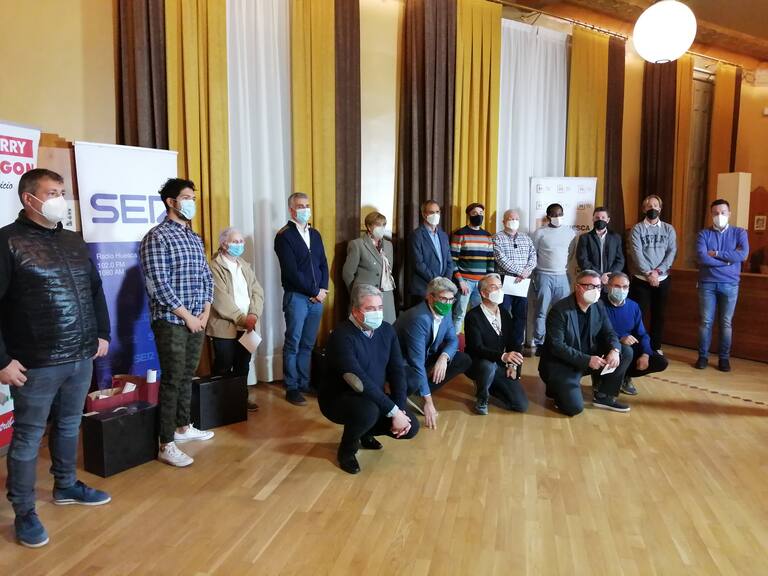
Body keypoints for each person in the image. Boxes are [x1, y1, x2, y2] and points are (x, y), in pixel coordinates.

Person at [1, 169, 111, 548]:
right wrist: (1, 360)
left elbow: (94, 289)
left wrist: (101, 332)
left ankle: (65, 485)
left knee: (68, 425)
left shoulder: (72, 239)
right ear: (29, 198)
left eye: (62, 192)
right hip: (36, 361)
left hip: (80, 354)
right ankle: (24, 511)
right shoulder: (7, 241)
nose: (59, 199)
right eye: (52, 193)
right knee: (28, 436)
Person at [140, 178, 215, 468]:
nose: (191, 202)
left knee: (187, 375)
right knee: (172, 379)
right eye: (186, 197)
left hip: (198, 318)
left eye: (193, 197)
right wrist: (187, 316)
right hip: (171, 320)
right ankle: (166, 442)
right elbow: (158, 284)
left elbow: (206, 276)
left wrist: (205, 311)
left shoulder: (194, 237)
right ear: (171, 202)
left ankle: (183, 427)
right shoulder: (157, 237)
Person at [319, 284, 419, 474]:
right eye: (370, 308)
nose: (377, 313)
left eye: (379, 307)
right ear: (355, 311)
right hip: (339, 398)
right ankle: (347, 451)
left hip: (371, 393)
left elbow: (397, 370)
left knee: (411, 427)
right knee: (368, 411)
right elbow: (359, 380)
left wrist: (399, 410)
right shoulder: (341, 336)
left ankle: (365, 432)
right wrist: (392, 411)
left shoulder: (387, 330)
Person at [538, 270, 632, 416]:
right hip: (562, 364)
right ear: (577, 287)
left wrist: (615, 350)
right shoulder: (559, 310)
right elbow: (557, 347)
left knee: (625, 351)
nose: (595, 290)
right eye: (590, 286)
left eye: (598, 287)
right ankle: (556, 389)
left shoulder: (598, 305)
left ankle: (604, 396)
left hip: (587, 358)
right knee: (574, 408)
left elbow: (609, 333)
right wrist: (587, 360)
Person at [394, 277, 472, 430]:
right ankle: (415, 394)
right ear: (430, 297)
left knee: (463, 359)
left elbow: (453, 340)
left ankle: (420, 393)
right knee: (413, 378)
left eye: (451, 300)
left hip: (424, 355)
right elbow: (416, 362)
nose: (448, 304)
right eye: (443, 299)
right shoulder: (418, 318)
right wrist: (429, 403)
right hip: (403, 363)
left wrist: (444, 357)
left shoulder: (445, 311)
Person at [274, 192, 329, 405]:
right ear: (291, 210)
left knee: (308, 343)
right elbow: (291, 272)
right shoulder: (284, 236)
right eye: (300, 206)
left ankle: (305, 382)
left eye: (307, 205)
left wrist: (323, 289)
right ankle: (292, 386)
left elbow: (323, 263)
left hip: (317, 298)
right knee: (293, 342)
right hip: (297, 297)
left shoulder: (315, 234)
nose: (305, 209)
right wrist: (314, 291)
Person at [206, 227, 265, 410]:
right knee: (223, 365)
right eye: (235, 241)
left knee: (243, 365)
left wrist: (253, 314)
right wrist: (242, 319)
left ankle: (240, 400)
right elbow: (220, 299)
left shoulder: (244, 265)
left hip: (248, 325)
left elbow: (257, 291)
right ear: (224, 244)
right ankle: (219, 404)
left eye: (241, 241)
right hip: (225, 327)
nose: (239, 245)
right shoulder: (213, 267)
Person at [694, 199, 749, 372]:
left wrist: (717, 253)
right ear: (711, 215)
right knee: (706, 322)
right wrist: (727, 262)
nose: (719, 216)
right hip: (707, 284)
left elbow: (743, 255)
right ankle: (703, 356)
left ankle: (724, 359)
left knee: (726, 323)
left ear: (729, 214)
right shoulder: (704, 234)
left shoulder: (739, 232)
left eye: (723, 212)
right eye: (716, 213)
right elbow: (702, 257)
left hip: (730, 284)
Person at [464, 274, 528, 415]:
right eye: (494, 287)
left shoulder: (505, 314)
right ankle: (482, 398)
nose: (499, 291)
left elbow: (513, 343)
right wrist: (503, 356)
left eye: (500, 287)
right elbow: (477, 348)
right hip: (478, 363)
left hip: (498, 363)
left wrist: (512, 365)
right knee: (487, 366)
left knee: (521, 405)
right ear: (483, 293)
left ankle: (489, 386)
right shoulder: (473, 316)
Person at [603, 273, 668, 395]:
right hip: (608, 346)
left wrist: (645, 354)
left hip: (629, 345)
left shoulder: (633, 306)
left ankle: (624, 376)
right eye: (617, 286)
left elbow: (642, 333)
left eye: (625, 287)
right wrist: (620, 338)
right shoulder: (599, 305)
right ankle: (604, 382)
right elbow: (596, 332)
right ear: (608, 286)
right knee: (627, 350)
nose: (621, 290)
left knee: (660, 361)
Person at [628, 194, 677, 355]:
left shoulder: (668, 229)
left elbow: (671, 252)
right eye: (649, 206)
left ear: (660, 209)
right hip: (641, 279)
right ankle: (639, 349)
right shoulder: (637, 229)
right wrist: (649, 273)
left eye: (656, 206)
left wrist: (657, 272)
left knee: (659, 315)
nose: (653, 209)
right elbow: (636, 253)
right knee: (639, 315)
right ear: (644, 209)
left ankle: (655, 348)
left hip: (662, 278)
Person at [530, 203, 576, 356]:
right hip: (543, 276)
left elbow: (570, 253)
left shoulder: (570, 233)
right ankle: (540, 343)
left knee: (564, 312)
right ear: (548, 216)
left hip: (562, 276)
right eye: (554, 215)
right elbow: (534, 253)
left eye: (560, 214)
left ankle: (560, 342)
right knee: (541, 312)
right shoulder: (540, 233)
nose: (558, 217)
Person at [492, 209, 536, 348]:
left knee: (520, 315)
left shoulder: (525, 238)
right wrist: (520, 272)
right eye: (511, 218)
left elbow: (533, 256)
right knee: (503, 313)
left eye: (516, 219)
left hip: (523, 281)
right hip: (505, 279)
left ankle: (516, 346)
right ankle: (501, 344)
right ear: (503, 221)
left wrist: (526, 271)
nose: (514, 221)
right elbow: (500, 258)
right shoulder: (497, 238)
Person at [342, 211, 397, 324]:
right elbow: (348, 273)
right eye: (378, 225)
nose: (381, 228)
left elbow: (389, 269)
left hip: (385, 296)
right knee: (364, 325)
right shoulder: (357, 244)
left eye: (383, 225)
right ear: (368, 226)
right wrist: (356, 293)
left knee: (386, 328)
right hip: (365, 297)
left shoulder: (388, 245)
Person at [450, 203, 495, 332]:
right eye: (475, 213)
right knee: (459, 314)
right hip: (465, 282)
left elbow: (490, 260)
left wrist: (488, 281)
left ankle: (475, 341)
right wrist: (460, 281)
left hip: (482, 283)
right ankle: (454, 342)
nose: (478, 216)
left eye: (481, 213)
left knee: (479, 316)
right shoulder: (460, 234)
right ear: (469, 215)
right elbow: (452, 260)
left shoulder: (487, 236)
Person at [408, 200, 455, 307]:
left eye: (437, 212)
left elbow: (449, 261)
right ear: (424, 214)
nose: (435, 215)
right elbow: (418, 263)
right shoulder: (416, 235)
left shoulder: (443, 235)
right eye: (431, 212)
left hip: (443, 289)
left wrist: (445, 281)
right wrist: (437, 281)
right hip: (423, 288)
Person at [576, 206, 625, 286]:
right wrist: (600, 275)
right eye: (597, 218)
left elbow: (620, 260)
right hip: (591, 280)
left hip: (610, 280)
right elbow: (582, 260)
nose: (600, 220)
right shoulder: (584, 238)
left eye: (603, 217)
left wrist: (609, 275)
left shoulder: (616, 238)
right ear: (593, 219)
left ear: (608, 220)